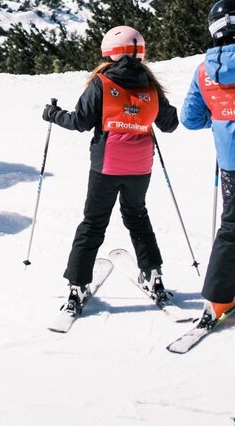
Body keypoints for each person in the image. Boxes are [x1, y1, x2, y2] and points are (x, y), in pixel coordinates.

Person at [42, 25, 179, 313]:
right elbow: (169, 124)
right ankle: (153, 276)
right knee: (137, 217)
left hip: (107, 164)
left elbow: (79, 121)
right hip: (140, 166)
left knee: (93, 223)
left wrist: (53, 114)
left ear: (109, 53)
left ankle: (77, 286)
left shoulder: (102, 83)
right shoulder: (150, 85)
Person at [181, 0, 235, 327]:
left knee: (233, 229)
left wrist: (223, 118)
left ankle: (220, 300)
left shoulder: (204, 69)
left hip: (233, 162)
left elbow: (191, 119)